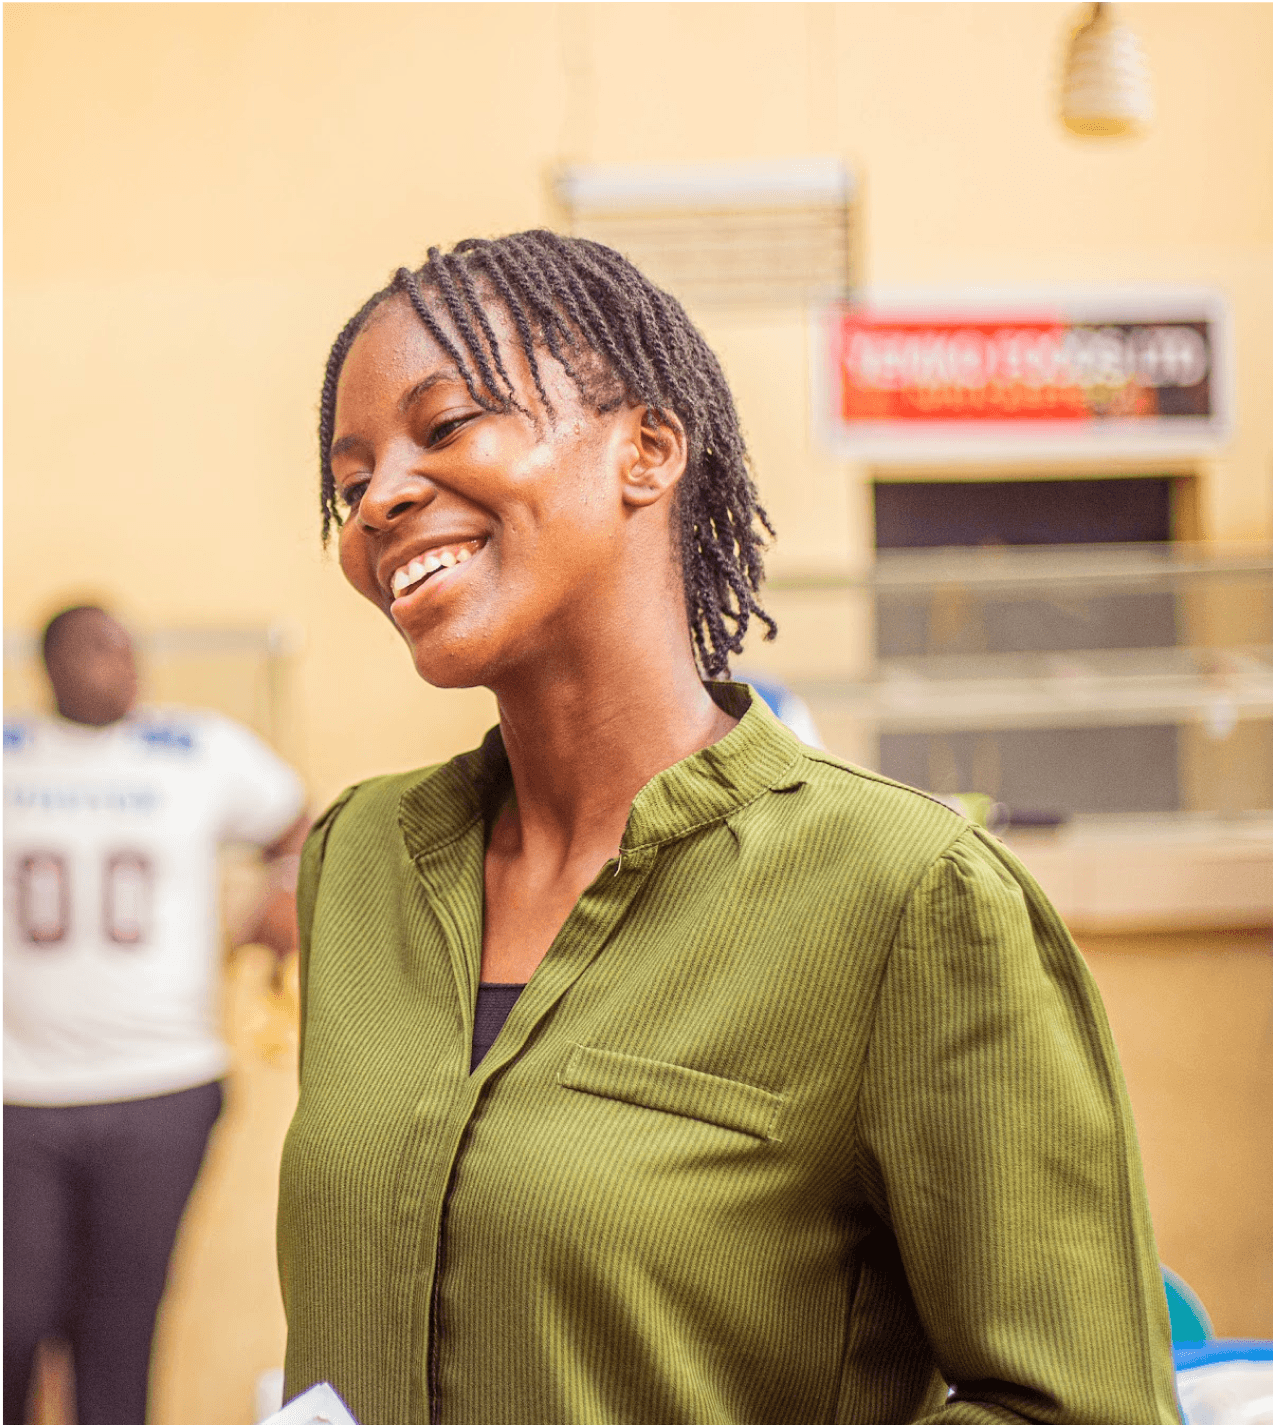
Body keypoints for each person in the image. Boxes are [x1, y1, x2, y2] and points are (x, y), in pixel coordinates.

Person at [277, 232, 1180, 1425]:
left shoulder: (908, 896)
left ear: (645, 450)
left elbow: (1077, 1407)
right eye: (352, 482)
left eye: (445, 429)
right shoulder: (359, 865)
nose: (379, 501)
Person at [3, 605, 309, 1425]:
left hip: (162, 1081)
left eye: (129, 648)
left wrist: (277, 898)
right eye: (99, 647)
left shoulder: (197, 749)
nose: (124, 664)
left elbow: (295, 821)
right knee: (14, 1316)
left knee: (118, 1330)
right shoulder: (12, 751)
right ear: (53, 663)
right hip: (20, 1090)